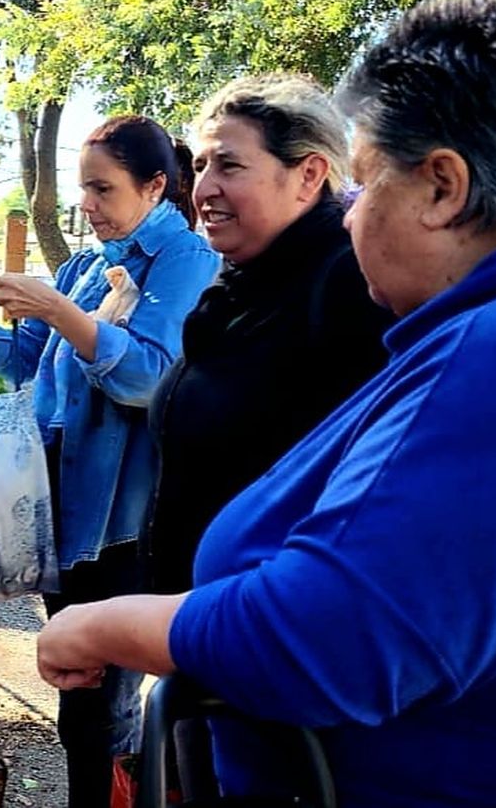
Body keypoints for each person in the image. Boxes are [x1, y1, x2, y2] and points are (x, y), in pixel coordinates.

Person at [36, 0, 496, 806]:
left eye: (365, 185)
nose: (352, 211)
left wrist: (105, 625)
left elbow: (325, 641)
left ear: (443, 186)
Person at [0, 115, 221, 808]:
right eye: (81, 187)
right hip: (63, 512)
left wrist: (60, 312)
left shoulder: (186, 261)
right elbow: (31, 371)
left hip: (124, 524)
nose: (84, 204)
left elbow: (149, 377)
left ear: (155, 187)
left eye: (101, 188)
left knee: (102, 708)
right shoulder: (87, 266)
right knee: (75, 689)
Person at [150, 75, 393, 596]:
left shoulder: (349, 285)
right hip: (198, 623)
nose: (203, 189)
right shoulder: (243, 281)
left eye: (229, 165)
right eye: (199, 166)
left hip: (264, 635)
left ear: (308, 176)